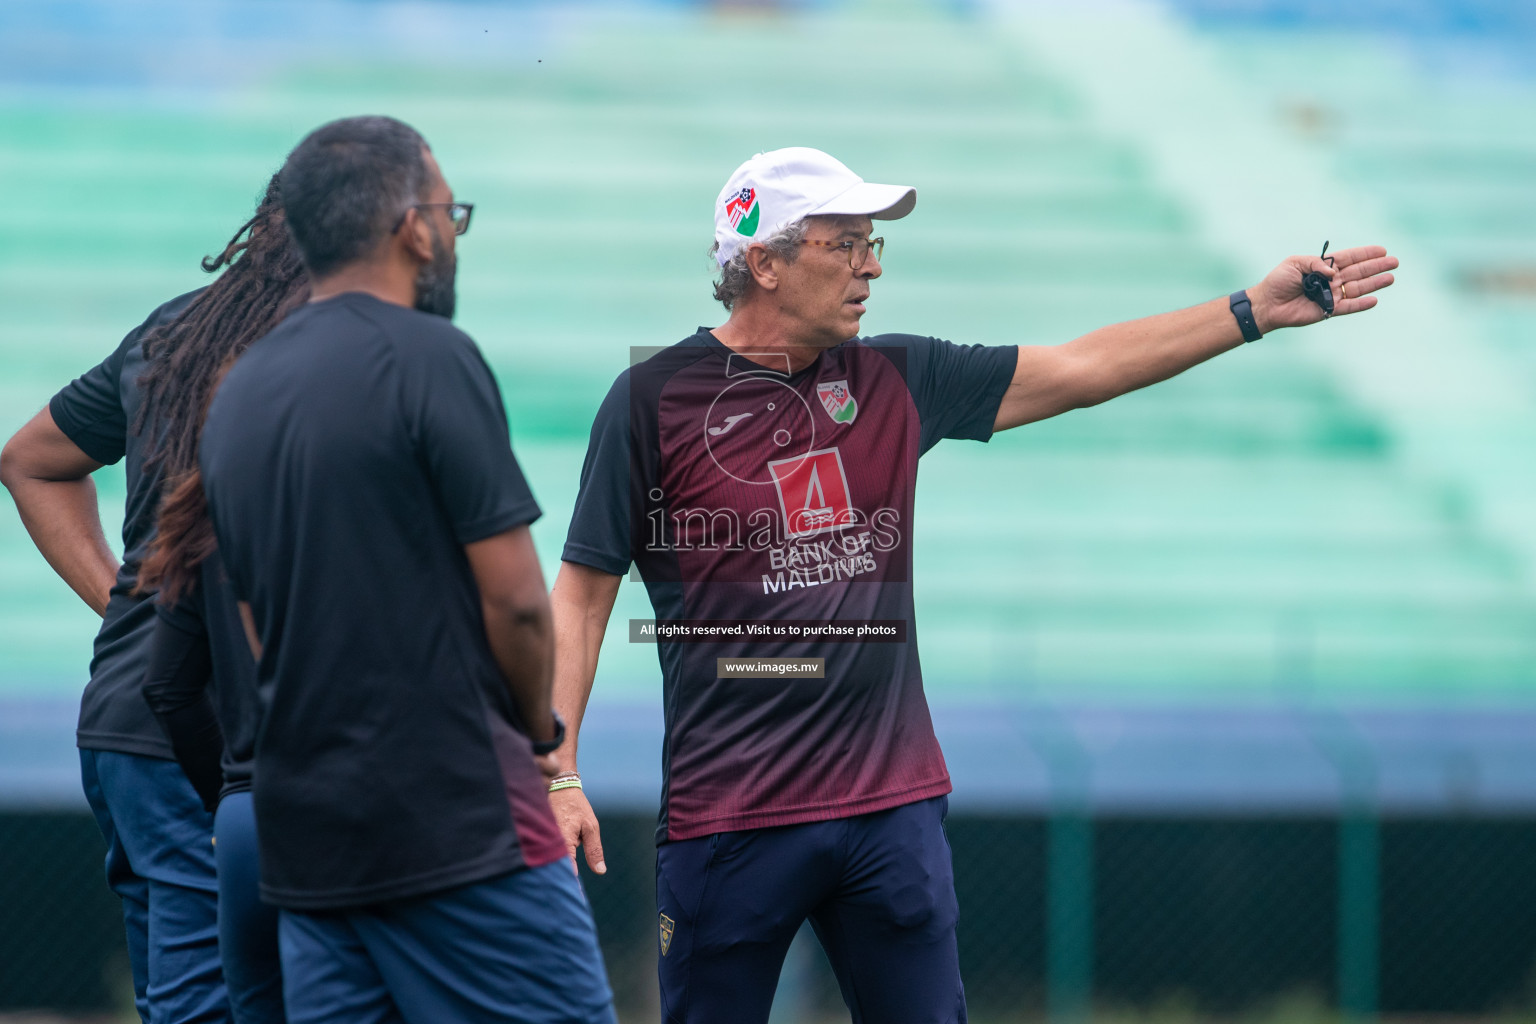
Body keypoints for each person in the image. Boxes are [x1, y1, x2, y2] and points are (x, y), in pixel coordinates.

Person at [549, 146, 1399, 1023]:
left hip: (893, 815)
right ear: (763, 261)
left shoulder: (897, 376)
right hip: (729, 817)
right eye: (845, 244)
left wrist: (1251, 310)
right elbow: (581, 594)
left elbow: (1080, 368)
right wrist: (560, 769)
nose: (870, 266)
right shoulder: (649, 400)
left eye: (874, 244)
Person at [197, 116, 615, 1024]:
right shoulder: (431, 358)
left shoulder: (238, 394)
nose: (451, 236)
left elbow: (256, 624)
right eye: (448, 212)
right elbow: (517, 603)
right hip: (460, 819)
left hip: (309, 842)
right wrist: (536, 733)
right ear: (414, 227)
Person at [0, 175, 300, 1024]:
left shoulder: (177, 327)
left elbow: (30, 459)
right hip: (203, 733)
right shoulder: (322, 346)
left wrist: (127, 606)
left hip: (133, 724)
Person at [135, 175, 310, 1024]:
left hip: (241, 818)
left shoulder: (206, 502)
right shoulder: (373, 489)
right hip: (353, 818)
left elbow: (167, 683)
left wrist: (231, 798)